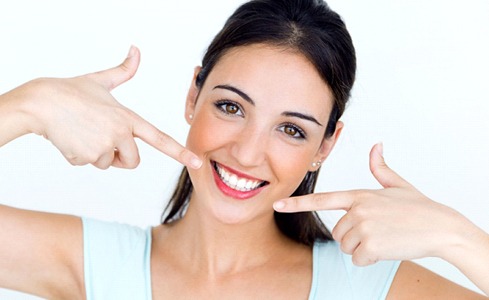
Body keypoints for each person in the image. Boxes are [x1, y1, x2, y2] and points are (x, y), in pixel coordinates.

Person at [0, 0, 488, 299]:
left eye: (292, 130)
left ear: (326, 145)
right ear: (194, 96)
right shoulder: (97, 264)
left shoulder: (369, 286)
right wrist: (27, 106)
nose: (249, 153)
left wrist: (459, 239)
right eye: (232, 107)